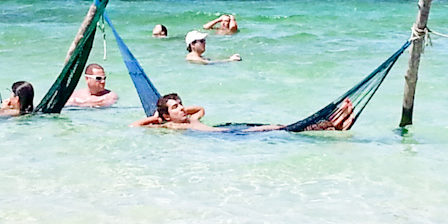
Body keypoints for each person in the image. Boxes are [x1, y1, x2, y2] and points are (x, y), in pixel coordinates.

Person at [130, 93, 354, 132]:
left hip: (229, 132)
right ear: (167, 116)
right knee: (278, 128)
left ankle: (333, 124)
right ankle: (332, 122)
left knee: (278, 126)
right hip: (227, 139)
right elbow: (134, 126)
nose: (182, 108)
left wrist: (180, 110)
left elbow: (201, 109)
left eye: (181, 104)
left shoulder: (190, 119)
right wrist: (158, 118)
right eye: (175, 107)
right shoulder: (171, 126)